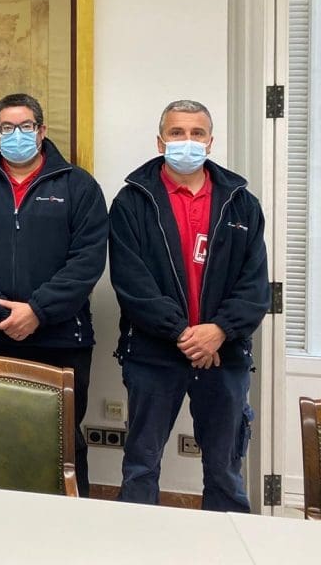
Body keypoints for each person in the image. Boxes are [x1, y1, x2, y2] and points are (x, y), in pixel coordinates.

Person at [109, 99, 269, 512]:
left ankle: (226, 541)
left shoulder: (241, 204)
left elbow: (254, 287)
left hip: (224, 355)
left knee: (225, 472)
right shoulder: (132, 202)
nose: (187, 141)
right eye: (177, 133)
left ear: (210, 142)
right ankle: (135, 542)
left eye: (197, 133)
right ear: (160, 141)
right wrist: (183, 333)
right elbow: (132, 282)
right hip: (153, 353)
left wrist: (218, 331)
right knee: (141, 467)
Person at [0, 92, 108, 497]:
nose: (16, 134)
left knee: (61, 443)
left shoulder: (79, 187)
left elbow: (87, 261)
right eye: (7, 127)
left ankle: (69, 524)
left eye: (25, 126)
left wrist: (37, 310)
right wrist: (1, 312)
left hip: (61, 339)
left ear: (41, 130)